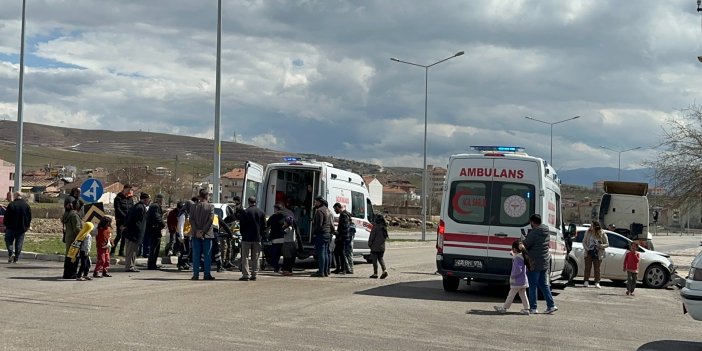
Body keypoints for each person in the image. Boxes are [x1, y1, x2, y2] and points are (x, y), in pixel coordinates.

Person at [523, 214, 557, 314]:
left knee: (533, 285)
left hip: (534, 262)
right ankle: (551, 305)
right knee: (543, 284)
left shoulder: (534, 232)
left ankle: (533, 308)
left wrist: (524, 239)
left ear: (533, 222)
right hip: (544, 261)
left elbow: (526, 244)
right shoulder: (546, 230)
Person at [494, 240, 531, 315]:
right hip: (523, 280)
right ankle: (526, 309)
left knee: (511, 295)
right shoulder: (523, 256)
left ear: (514, 249)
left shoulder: (517, 258)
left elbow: (517, 269)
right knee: (523, 295)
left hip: (517, 281)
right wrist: (513, 255)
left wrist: (512, 276)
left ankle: (504, 308)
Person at [189, 189, 215, 280]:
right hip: (207, 234)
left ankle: (196, 274)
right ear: (207, 196)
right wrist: (203, 231)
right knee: (207, 255)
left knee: (196, 255)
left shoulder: (193, 207)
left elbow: (191, 219)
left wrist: (196, 231)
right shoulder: (210, 206)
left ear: (199, 196)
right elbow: (211, 220)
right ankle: (207, 274)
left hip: (195, 234)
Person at [239, 196, 266, 281]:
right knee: (256, 257)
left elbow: (242, 225)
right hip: (257, 237)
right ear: (256, 202)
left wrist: (242, 233)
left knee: (245, 257)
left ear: (248, 202)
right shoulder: (261, 212)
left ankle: (245, 275)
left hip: (246, 238)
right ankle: (254, 274)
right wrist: (261, 234)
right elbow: (264, 226)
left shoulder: (245, 212)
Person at [123, 193, 151, 273]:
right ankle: (129, 266)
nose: (149, 201)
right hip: (133, 233)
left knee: (132, 251)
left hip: (132, 233)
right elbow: (134, 221)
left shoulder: (137, 206)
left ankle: (130, 266)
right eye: (148, 199)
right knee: (131, 251)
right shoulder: (140, 208)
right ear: (145, 199)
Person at [4, 191, 32, 264]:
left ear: (16, 196)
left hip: (11, 227)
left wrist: (5, 225)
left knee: (8, 241)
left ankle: (10, 253)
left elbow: (6, 216)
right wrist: (27, 226)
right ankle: (16, 258)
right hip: (21, 228)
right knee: (19, 243)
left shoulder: (11, 205)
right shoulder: (26, 206)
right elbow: (29, 217)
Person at [311, 196, 334, 277]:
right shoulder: (328, 210)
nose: (315, 203)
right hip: (327, 233)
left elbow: (319, 225)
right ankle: (326, 271)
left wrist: (314, 233)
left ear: (319, 202)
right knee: (326, 253)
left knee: (321, 253)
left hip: (321, 234)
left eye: (315, 202)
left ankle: (321, 272)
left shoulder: (319, 211)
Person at [583, 221, 609, 289]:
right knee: (587, 267)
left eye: (592, 226)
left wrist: (600, 245)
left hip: (598, 253)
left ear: (596, 227)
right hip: (589, 252)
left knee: (597, 269)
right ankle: (586, 281)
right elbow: (584, 241)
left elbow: (607, 244)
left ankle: (597, 282)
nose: (591, 227)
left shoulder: (602, 233)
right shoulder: (588, 232)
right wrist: (587, 249)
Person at [61, 200, 83, 279]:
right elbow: (77, 228)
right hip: (74, 238)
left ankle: (67, 273)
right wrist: (81, 237)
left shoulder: (66, 214)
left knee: (69, 255)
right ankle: (72, 273)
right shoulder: (74, 215)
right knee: (74, 256)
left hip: (68, 237)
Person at [112, 184, 135, 256]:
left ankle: (121, 251)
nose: (129, 191)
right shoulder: (118, 198)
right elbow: (118, 209)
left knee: (125, 236)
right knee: (119, 235)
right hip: (120, 219)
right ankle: (112, 250)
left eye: (130, 190)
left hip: (128, 220)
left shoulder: (130, 198)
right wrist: (125, 216)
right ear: (124, 189)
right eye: (128, 189)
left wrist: (130, 217)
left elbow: (132, 208)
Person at [266, 203, 289, 273]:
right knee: (279, 253)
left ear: (276, 209)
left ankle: (276, 267)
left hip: (275, 237)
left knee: (273, 254)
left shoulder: (273, 216)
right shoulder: (286, 216)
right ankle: (279, 267)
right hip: (284, 237)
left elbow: (267, 225)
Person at [332, 203, 354, 274]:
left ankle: (342, 268)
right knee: (337, 252)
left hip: (343, 238)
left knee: (340, 253)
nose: (335, 210)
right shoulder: (345, 214)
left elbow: (345, 227)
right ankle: (340, 268)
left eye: (335, 209)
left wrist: (338, 234)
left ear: (338, 207)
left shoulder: (344, 215)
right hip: (343, 237)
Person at [146, 194, 166, 270]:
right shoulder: (155, 206)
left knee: (154, 247)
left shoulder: (154, 206)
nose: (162, 201)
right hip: (154, 229)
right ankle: (151, 264)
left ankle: (152, 263)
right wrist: (163, 224)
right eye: (161, 200)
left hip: (154, 229)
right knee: (154, 247)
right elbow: (156, 217)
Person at [368, 214, 389, 279]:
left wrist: (369, 244)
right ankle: (384, 270)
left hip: (375, 246)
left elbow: (372, 237)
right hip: (382, 247)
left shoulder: (375, 227)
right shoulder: (384, 227)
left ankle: (375, 273)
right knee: (381, 259)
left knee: (374, 260)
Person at [175, 200, 194, 271]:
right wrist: (181, 236)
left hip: (187, 235)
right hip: (182, 235)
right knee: (183, 250)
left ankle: (184, 262)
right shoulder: (183, 214)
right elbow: (180, 226)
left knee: (187, 250)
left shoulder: (189, 213)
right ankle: (180, 263)